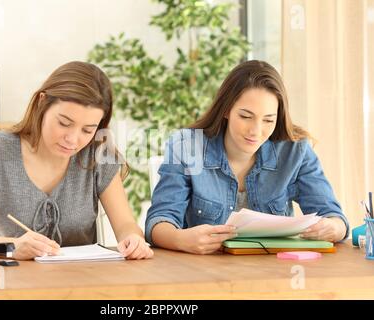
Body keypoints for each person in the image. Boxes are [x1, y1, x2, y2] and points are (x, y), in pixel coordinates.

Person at [0, 61, 153, 260]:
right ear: (42, 102)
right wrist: (13, 246)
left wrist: (132, 239)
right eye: (64, 123)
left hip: (83, 285)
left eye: (88, 130)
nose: (72, 139)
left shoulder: (98, 153)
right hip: (15, 286)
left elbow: (125, 224)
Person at [145, 60, 349, 255]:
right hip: (206, 274)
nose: (256, 131)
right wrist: (181, 239)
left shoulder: (296, 151)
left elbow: (334, 218)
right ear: (226, 110)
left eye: (268, 120)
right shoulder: (186, 147)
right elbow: (158, 222)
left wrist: (332, 228)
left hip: (275, 274)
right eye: (245, 116)